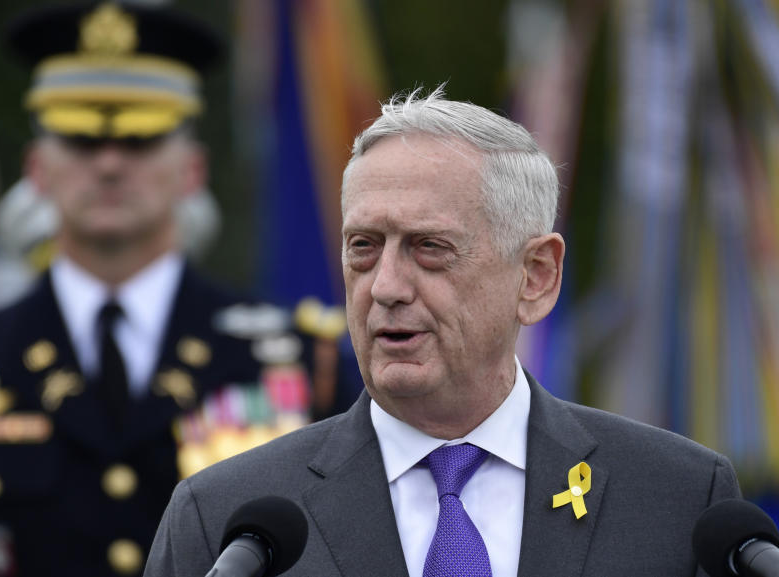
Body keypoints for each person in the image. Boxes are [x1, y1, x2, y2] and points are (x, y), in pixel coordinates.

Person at [145, 87, 743, 577]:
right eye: (363, 248)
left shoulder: (679, 498)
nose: (385, 287)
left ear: (535, 276)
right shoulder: (226, 520)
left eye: (430, 248)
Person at [0, 3, 351, 576]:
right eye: (81, 139)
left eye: (141, 139)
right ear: (37, 168)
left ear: (192, 168)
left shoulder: (296, 361)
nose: (111, 164)